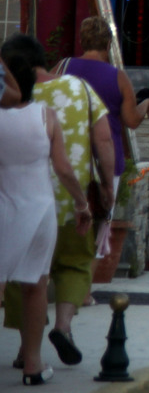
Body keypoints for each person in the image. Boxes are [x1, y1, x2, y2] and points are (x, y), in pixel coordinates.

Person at [1, 35, 115, 369]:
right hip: (62, 202)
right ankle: (63, 326)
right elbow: (104, 139)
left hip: (13, 203)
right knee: (74, 264)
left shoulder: (8, 100)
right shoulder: (78, 89)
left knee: (21, 281)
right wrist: (105, 188)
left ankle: (26, 350)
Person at [60, 15, 149, 183]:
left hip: (69, 156)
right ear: (108, 45)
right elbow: (132, 120)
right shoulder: (119, 78)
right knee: (103, 209)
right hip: (107, 161)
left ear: (81, 42)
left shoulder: (63, 67)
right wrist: (147, 103)